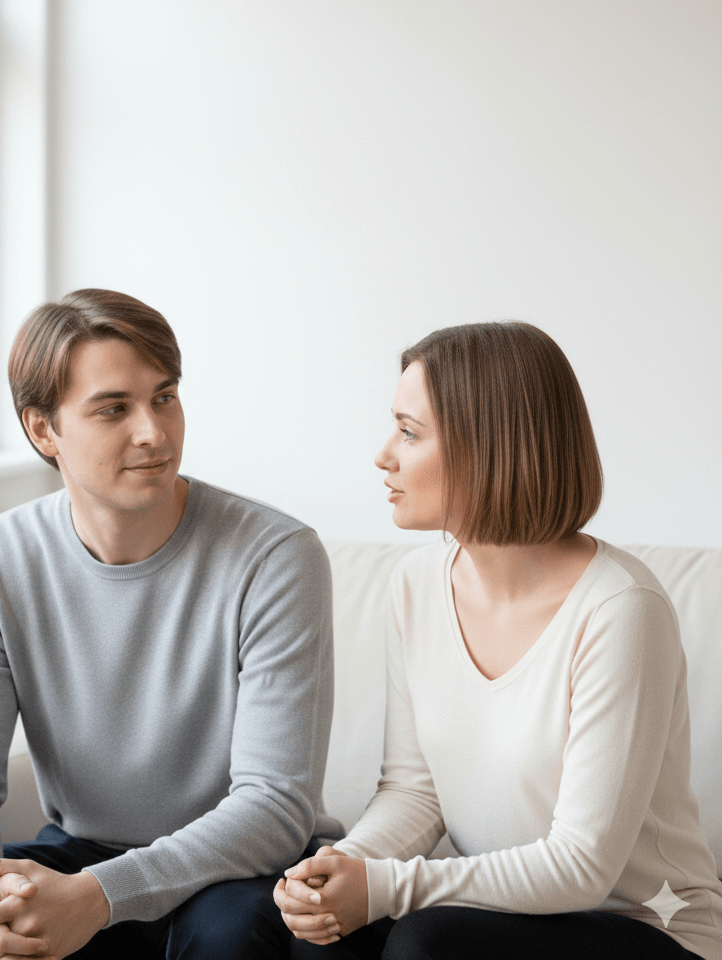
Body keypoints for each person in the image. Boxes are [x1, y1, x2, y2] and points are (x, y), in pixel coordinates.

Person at [0, 288, 343, 959]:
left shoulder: (276, 556)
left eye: (164, 397)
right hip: (82, 854)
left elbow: (274, 807)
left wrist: (97, 899)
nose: (154, 432)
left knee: (232, 937)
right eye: (114, 409)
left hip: (230, 869)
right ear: (43, 429)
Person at [274, 321, 722, 959]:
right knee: (322, 933)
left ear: (488, 448)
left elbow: (581, 867)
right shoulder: (415, 585)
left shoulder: (622, 609)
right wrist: (343, 869)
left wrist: (384, 889)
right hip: (504, 917)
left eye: (409, 432)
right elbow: (415, 790)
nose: (384, 455)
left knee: (426, 942)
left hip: (643, 927)